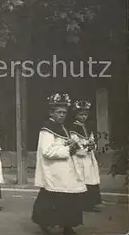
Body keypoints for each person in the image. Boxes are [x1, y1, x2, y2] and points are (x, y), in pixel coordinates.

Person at [31, 93, 87, 235]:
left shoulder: (64, 128)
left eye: (64, 112)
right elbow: (47, 151)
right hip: (54, 170)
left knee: (70, 200)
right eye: (59, 112)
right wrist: (68, 148)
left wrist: (78, 146)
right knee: (55, 199)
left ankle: (68, 227)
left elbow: (69, 146)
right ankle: (47, 222)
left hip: (66, 170)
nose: (62, 115)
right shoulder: (47, 129)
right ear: (51, 112)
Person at [69, 100, 102, 212]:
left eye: (85, 114)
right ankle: (81, 204)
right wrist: (86, 147)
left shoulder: (88, 126)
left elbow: (91, 138)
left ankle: (91, 203)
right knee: (82, 178)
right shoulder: (73, 128)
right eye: (81, 114)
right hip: (80, 158)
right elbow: (75, 143)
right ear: (76, 115)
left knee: (91, 178)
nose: (83, 117)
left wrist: (93, 145)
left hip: (88, 156)